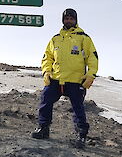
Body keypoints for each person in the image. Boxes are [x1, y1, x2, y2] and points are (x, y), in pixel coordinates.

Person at [32, 8, 98, 149]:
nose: (69, 21)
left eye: (71, 18)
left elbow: (92, 57)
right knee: (45, 101)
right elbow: (47, 57)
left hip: (76, 81)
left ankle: (81, 135)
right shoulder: (55, 38)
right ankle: (43, 128)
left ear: (75, 20)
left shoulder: (83, 38)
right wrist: (46, 72)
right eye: (66, 18)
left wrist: (91, 75)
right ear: (63, 20)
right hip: (56, 79)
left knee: (78, 108)